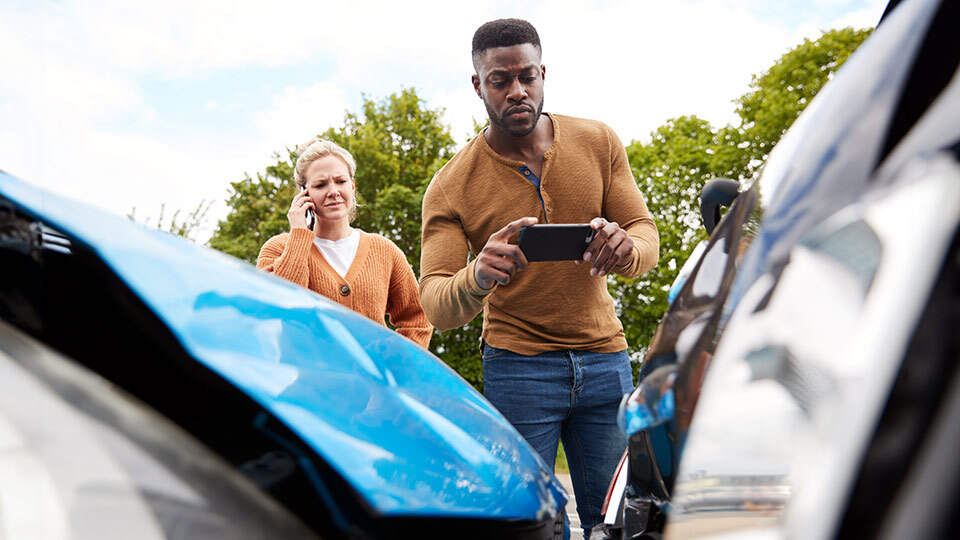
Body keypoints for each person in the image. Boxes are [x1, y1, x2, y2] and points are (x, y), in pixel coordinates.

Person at [418, 18, 658, 538]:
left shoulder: (598, 141)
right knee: (532, 527)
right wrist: (477, 275)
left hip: (605, 360)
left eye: (527, 75)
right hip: (518, 369)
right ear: (478, 86)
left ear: (543, 73)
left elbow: (643, 232)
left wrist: (627, 250)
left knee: (619, 522)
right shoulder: (450, 187)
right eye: (500, 80)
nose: (517, 91)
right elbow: (436, 302)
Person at [258, 137, 432, 349]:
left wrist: (396, 366)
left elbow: (417, 320)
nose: (333, 191)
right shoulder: (278, 249)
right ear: (304, 193)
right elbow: (281, 307)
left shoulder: (384, 251)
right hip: (309, 380)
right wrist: (299, 235)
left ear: (352, 185)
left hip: (372, 382)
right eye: (321, 185)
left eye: (340, 181)